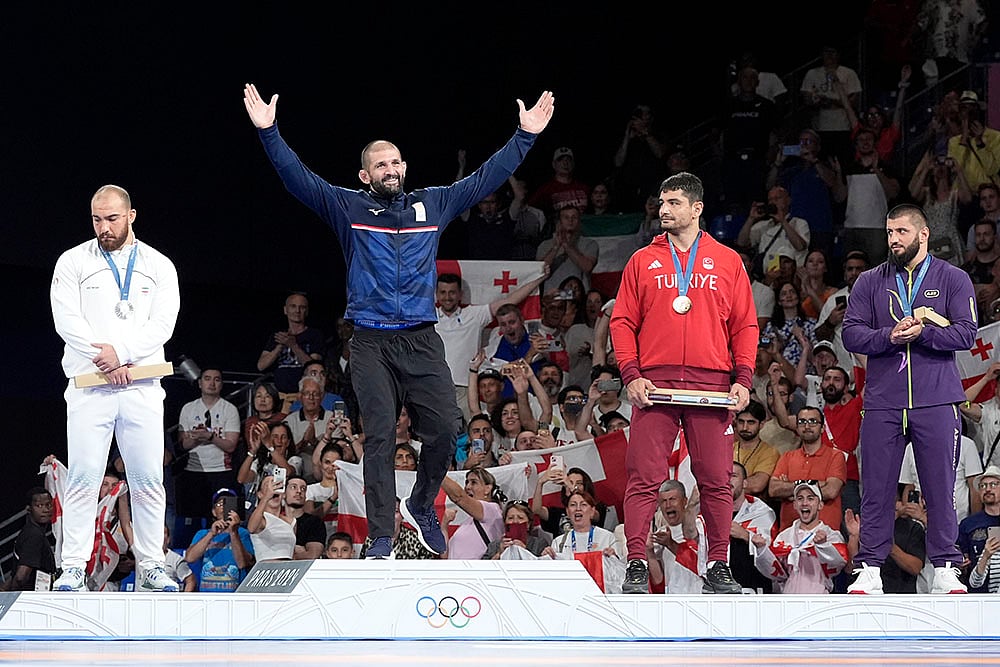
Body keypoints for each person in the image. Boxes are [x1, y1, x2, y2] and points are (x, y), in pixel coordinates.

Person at [243, 83, 554, 559]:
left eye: (396, 162)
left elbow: (486, 179)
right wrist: (269, 132)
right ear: (365, 174)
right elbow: (298, 179)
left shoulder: (432, 203)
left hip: (420, 338)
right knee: (382, 435)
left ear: (404, 168)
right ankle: (382, 535)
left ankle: (423, 502)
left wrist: (525, 136)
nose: (390, 169)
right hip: (370, 341)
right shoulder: (349, 206)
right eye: (380, 164)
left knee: (448, 426)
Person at [609, 171, 758, 595]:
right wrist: (631, 375)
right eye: (661, 202)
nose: (663, 209)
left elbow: (745, 324)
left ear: (697, 208)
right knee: (643, 479)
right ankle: (637, 562)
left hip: (711, 385)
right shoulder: (642, 260)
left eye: (673, 202)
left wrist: (743, 379)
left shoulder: (728, 260)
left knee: (716, 479)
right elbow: (622, 322)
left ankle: (717, 565)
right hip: (653, 384)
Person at [50, 184, 180, 593]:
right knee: (84, 478)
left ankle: (151, 564)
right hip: (90, 384)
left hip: (140, 384)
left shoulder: (159, 266)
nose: (104, 227)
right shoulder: (72, 261)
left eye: (112, 218)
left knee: (147, 479)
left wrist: (122, 352)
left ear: (131, 216)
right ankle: (72, 566)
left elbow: (164, 323)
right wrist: (104, 358)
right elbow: (66, 320)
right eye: (96, 219)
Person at [843, 204, 977, 595]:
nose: (893, 240)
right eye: (889, 233)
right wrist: (889, 337)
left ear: (923, 234)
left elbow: (966, 334)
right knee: (877, 487)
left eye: (901, 232)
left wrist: (923, 335)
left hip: (937, 398)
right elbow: (851, 334)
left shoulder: (953, 279)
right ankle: (869, 567)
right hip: (884, 399)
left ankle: (946, 568)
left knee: (940, 487)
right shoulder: (869, 282)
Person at [435, 268, 548, 421]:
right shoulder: (428, 317)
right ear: (436, 294)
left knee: (472, 431)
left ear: (460, 294)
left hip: (466, 388)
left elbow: (509, 301)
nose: (447, 297)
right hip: (435, 388)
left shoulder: (474, 315)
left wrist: (539, 278)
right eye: (443, 292)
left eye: (452, 292)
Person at [751, 481, 847, 593]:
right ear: (795, 505)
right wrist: (762, 549)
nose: (805, 503)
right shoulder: (784, 537)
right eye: (800, 498)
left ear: (820, 505)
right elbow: (776, 573)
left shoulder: (831, 535)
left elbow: (838, 565)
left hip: (819, 599)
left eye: (810, 498)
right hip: (788, 599)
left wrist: (823, 546)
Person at [176, 367, 242, 530]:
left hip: (223, 472)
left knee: (228, 518)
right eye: (207, 378)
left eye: (216, 379)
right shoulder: (188, 408)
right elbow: (183, 444)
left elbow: (231, 445)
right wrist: (199, 437)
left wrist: (211, 437)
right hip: (194, 471)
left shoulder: (230, 409)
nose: (211, 383)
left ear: (221, 384)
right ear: (199, 383)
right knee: (192, 521)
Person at [256, 292, 326, 413]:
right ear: (285, 310)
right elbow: (261, 366)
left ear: (307, 311)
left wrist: (293, 345)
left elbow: (314, 367)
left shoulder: (315, 335)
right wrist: (280, 346)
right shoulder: (278, 336)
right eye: (293, 306)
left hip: (304, 398)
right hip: (279, 398)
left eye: (302, 307)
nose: (297, 310)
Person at [184, 488, 255, 592]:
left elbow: (242, 563)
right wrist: (211, 534)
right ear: (213, 512)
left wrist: (233, 532)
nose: (223, 507)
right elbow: (190, 558)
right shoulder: (202, 534)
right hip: (207, 595)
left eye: (228, 503)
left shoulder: (243, 533)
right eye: (219, 504)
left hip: (234, 596)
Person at [1, 488, 55, 591]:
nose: (45, 510)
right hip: (32, 600)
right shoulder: (34, 535)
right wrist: (12, 598)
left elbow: (15, 575)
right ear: (28, 509)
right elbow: (21, 577)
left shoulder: (31, 532)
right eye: (39, 505)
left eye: (48, 505)